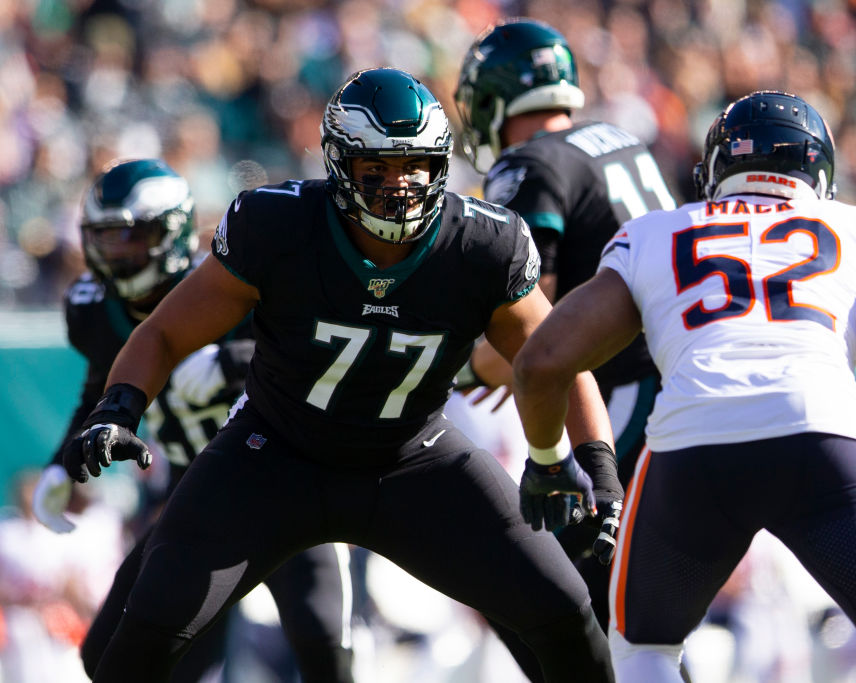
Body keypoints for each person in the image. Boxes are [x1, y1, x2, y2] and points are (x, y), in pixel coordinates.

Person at [56, 68, 617, 683]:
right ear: (339, 163)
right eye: (376, 167)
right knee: (149, 627)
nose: (398, 185)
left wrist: (596, 467)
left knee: (563, 608)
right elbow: (163, 332)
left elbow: (553, 356)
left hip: (414, 459)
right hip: (273, 455)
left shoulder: (482, 243)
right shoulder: (279, 226)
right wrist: (118, 407)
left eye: (414, 165)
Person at [510, 90, 856, 682]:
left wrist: (547, 462)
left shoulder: (657, 231)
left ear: (717, 168)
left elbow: (541, 361)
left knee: (642, 654)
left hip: (696, 445)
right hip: (825, 441)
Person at [31, 158, 355, 682]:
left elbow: (316, 351)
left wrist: (231, 361)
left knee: (324, 650)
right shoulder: (94, 308)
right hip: (197, 491)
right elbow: (101, 387)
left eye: (133, 238)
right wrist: (59, 466)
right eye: (107, 238)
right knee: (113, 657)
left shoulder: (231, 282)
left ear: (174, 233)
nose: (118, 254)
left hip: (286, 482)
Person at [453, 17, 675, 640]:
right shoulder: (621, 138)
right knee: (633, 617)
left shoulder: (528, 165)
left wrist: (463, 369)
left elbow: (536, 334)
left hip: (630, 392)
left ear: (496, 99)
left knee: (528, 580)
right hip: (675, 377)